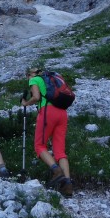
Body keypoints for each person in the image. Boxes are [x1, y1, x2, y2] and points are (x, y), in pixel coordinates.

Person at [21, 67, 73, 197]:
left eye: (27, 75)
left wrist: (26, 103)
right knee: (60, 151)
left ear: (30, 74)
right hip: (62, 113)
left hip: (47, 112)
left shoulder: (34, 80)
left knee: (39, 146)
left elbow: (36, 97)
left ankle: (56, 171)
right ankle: (68, 185)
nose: (27, 78)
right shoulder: (51, 79)